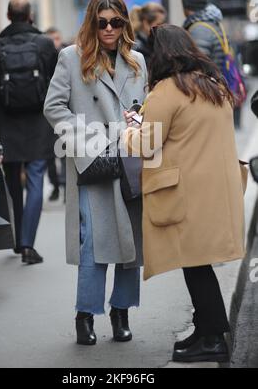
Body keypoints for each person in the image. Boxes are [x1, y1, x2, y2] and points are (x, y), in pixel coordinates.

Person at [124, 24, 247, 363]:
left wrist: (130, 128)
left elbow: (148, 144)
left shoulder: (168, 90)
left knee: (194, 264)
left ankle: (213, 339)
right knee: (197, 262)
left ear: (160, 55)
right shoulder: (213, 85)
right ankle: (205, 329)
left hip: (189, 193)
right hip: (217, 190)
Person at [44, 0, 148, 345]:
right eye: (102, 22)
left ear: (124, 23)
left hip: (130, 161)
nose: (108, 28)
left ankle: (121, 311)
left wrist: (140, 128)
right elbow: (54, 107)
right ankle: (85, 315)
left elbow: (147, 107)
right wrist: (89, 146)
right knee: (94, 243)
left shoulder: (137, 61)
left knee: (130, 241)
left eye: (115, 22)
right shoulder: (71, 58)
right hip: (94, 165)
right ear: (92, 22)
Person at [0, 0, 58, 265]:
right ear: (30, 16)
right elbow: (57, 84)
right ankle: (27, 244)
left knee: (14, 182)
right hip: (39, 122)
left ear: (7, 15)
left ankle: (15, 239)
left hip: (6, 123)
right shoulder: (45, 45)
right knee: (36, 179)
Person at [182, 0, 245, 128]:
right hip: (220, 90)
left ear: (188, 7)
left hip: (208, 94)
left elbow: (198, 68)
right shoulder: (215, 24)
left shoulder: (199, 29)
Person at [45, 27, 66, 202]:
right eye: (51, 39)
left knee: (65, 151)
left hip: (66, 112)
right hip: (49, 112)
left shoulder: (66, 55)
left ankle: (65, 185)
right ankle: (56, 185)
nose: (55, 42)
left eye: (57, 38)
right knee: (51, 153)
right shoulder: (43, 57)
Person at [131, 2, 167, 67]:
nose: (162, 28)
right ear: (146, 23)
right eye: (158, 24)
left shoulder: (153, 42)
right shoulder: (137, 47)